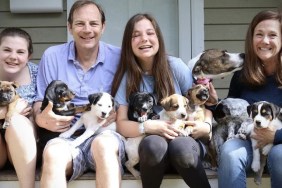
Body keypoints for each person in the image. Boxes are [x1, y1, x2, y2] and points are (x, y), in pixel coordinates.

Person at [111, 13, 214, 188]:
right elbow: (121, 123)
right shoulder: (127, 78)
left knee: (182, 148)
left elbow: (203, 106)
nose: (144, 39)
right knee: (153, 144)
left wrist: (206, 126)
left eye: (150, 33)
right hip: (152, 156)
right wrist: (146, 126)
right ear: (129, 43)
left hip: (185, 147)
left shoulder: (175, 67)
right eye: (136, 35)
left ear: (158, 37)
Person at [33, 1, 125, 187]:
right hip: (66, 135)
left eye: (93, 23)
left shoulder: (119, 58)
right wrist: (40, 118)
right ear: (69, 27)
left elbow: (125, 99)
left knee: (104, 148)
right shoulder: (52, 56)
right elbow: (38, 102)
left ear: (103, 26)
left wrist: (119, 112)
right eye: (80, 23)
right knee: (53, 155)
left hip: (104, 133)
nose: (87, 30)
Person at [217, 10, 282, 188]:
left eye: (273, 35)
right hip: (248, 141)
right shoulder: (241, 75)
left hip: (280, 144)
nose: (265, 41)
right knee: (230, 153)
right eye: (259, 34)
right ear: (251, 39)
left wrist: (275, 136)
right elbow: (229, 114)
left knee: (280, 156)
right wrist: (214, 104)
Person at [0, 27, 38, 188]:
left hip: (26, 145)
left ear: (29, 56)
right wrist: (5, 113)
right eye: (7, 50)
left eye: (20, 52)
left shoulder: (37, 74)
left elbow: (42, 109)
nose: (13, 57)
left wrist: (13, 117)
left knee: (17, 122)